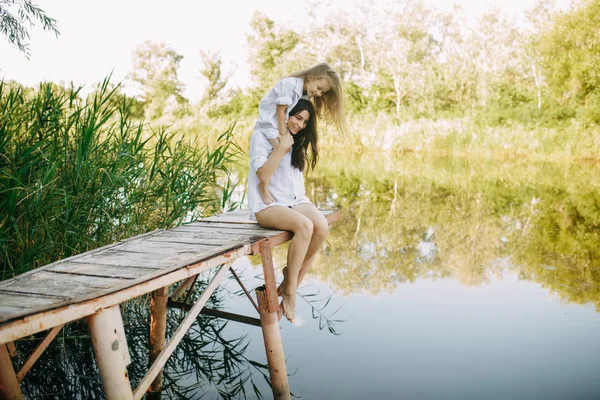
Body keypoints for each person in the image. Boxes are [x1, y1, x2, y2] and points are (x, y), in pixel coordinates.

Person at [248, 99, 329, 323]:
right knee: (305, 226)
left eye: (305, 122)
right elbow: (262, 177)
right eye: (297, 117)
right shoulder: (261, 136)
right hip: (268, 206)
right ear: (286, 115)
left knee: (321, 227)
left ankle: (288, 277)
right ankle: (291, 288)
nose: (300, 125)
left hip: (295, 201)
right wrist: (281, 147)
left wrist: (290, 143)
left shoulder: (297, 139)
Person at [253, 63, 347, 205]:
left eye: (322, 92)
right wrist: (284, 136)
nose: (319, 94)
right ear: (311, 78)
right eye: (319, 88)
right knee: (281, 150)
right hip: (268, 124)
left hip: (275, 125)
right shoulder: (290, 84)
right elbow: (280, 111)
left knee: (284, 151)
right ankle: (263, 186)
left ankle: (283, 192)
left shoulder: (302, 94)